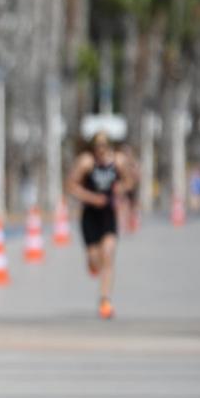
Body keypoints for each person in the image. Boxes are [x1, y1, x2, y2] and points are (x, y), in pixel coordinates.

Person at [66, 132, 135, 320]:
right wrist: (92, 198)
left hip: (108, 215)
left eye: (105, 146)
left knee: (108, 255)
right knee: (95, 259)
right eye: (98, 147)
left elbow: (130, 181)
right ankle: (92, 263)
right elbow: (71, 185)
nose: (101, 151)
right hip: (89, 215)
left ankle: (105, 300)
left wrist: (120, 188)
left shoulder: (118, 161)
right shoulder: (86, 162)